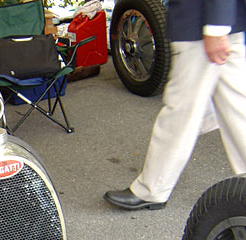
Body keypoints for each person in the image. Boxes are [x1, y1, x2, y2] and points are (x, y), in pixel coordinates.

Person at [104, 0, 246, 210]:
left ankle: (152, 189)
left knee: (180, 114)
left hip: (201, 26)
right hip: (214, 23)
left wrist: (216, 27)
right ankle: (152, 187)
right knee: (236, 111)